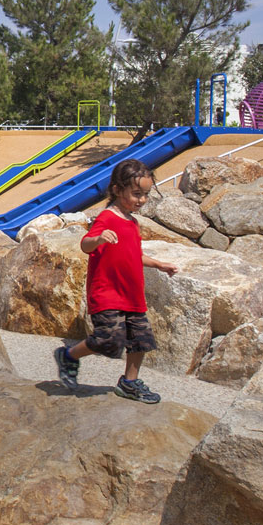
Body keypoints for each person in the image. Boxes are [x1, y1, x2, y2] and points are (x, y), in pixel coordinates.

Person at [52, 158, 180, 404]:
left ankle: (129, 382)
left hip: (132, 294)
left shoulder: (132, 222)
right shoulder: (107, 218)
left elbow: (134, 254)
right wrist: (99, 238)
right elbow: (85, 244)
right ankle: (69, 355)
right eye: (136, 194)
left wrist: (159, 265)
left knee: (140, 339)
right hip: (107, 292)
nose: (141, 200)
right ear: (118, 189)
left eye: (145, 194)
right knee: (109, 339)